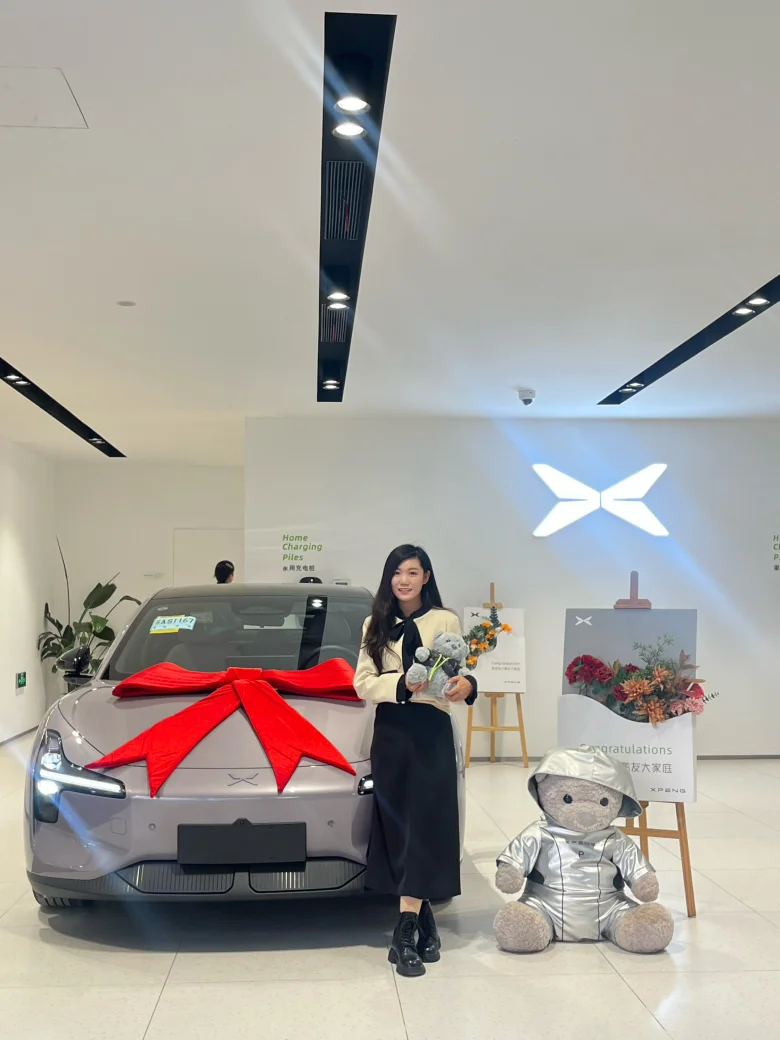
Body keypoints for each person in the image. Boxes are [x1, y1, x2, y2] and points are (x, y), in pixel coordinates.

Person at [353, 544, 477, 977]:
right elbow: (362, 683)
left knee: (428, 824)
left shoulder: (445, 620)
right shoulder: (375, 623)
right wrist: (401, 684)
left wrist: (467, 684)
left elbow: (455, 674)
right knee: (400, 826)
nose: (403, 580)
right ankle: (422, 920)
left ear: (426, 576)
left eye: (412, 572)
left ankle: (402, 934)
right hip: (391, 732)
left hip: (431, 731)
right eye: (396, 573)